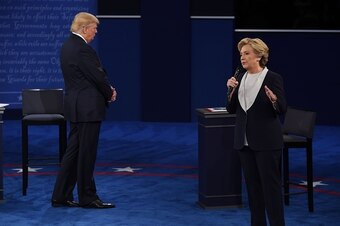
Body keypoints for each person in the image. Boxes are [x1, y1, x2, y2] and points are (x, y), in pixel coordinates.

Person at [51, 12, 117, 209]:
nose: (96, 32)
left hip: (76, 107)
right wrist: (110, 92)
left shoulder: (66, 47)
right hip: (88, 108)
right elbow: (97, 77)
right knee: (86, 154)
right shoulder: (83, 49)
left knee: (73, 153)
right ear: (84, 28)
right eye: (94, 28)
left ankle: (61, 195)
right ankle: (87, 197)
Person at [226, 38, 286, 226]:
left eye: (247, 53)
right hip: (244, 143)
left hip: (267, 143)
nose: (242, 57)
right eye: (241, 54)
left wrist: (274, 99)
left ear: (259, 56)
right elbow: (231, 109)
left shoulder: (273, 78)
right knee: (253, 191)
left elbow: (281, 108)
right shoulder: (239, 76)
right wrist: (230, 91)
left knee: (271, 191)